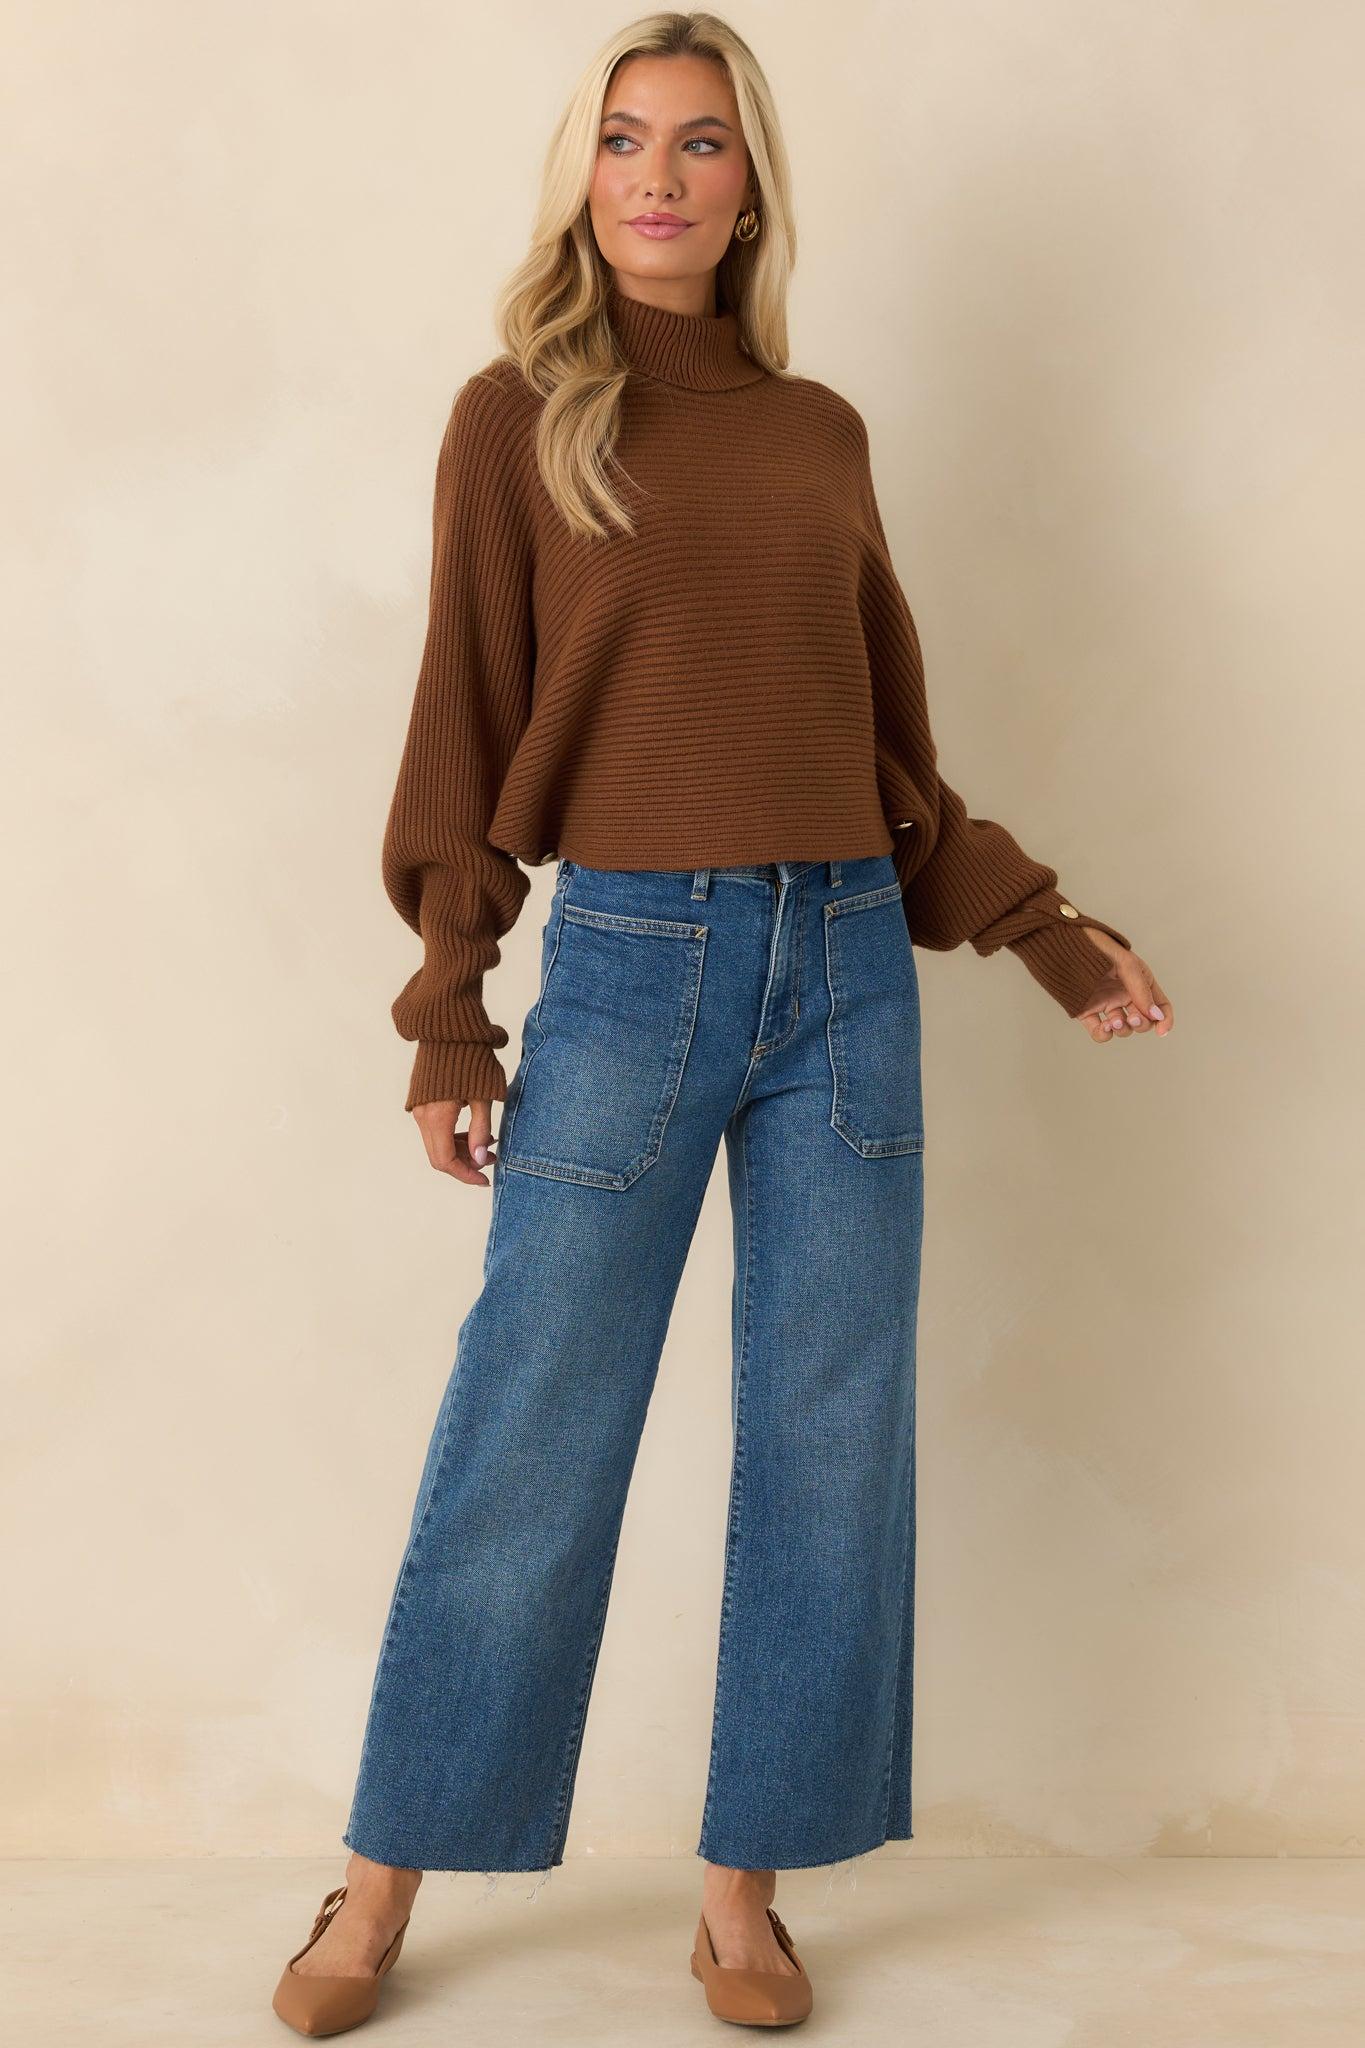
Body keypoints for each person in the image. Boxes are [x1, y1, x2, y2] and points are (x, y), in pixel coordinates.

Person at [270, 12, 1172, 2036]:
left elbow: (880, 746)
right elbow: (462, 721)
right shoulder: (516, 419)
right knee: (533, 1423)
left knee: (826, 1441)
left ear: (749, 186)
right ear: (580, 178)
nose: (658, 176)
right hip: (628, 968)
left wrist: (1036, 928)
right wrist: (449, 1013)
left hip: (844, 967)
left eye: (697, 142)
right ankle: (379, 1879)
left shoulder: (815, 432)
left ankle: (740, 1897)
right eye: (622, 140)